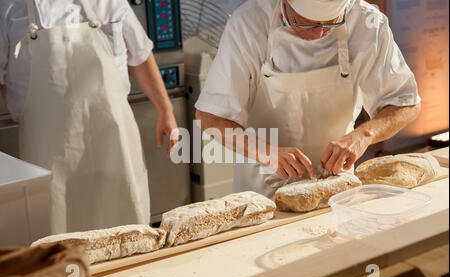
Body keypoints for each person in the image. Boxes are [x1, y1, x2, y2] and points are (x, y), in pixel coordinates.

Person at [195, 0, 421, 199]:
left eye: (330, 23)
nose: (318, 33)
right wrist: (265, 152)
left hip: (336, 188)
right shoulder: (248, 23)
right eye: (307, 22)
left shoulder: (366, 22)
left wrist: (363, 135)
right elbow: (210, 118)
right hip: (263, 191)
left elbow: (406, 103)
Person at [0, 0, 179, 233]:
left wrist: (166, 110)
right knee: (57, 236)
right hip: (47, 152)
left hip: (113, 145)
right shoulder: (8, 9)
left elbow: (140, 55)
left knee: (126, 227)